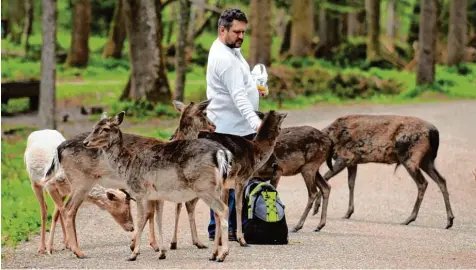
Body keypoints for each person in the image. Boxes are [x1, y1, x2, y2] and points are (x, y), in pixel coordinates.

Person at [205, 8, 268, 241]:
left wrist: (255, 85)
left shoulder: (229, 49)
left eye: (244, 32)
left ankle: (228, 228)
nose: (241, 36)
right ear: (223, 30)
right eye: (237, 32)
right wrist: (257, 122)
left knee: (233, 181)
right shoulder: (224, 58)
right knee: (226, 182)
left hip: (235, 128)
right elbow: (238, 96)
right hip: (227, 130)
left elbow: (242, 85)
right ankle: (220, 230)